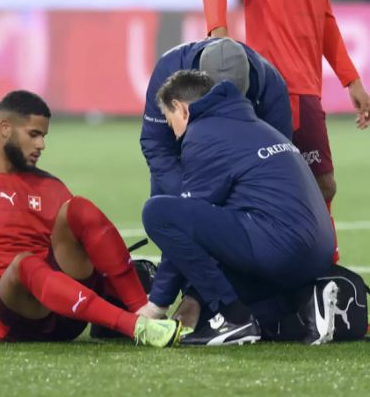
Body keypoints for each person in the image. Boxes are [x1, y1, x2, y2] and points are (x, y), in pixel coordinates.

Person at [0, 90, 181, 348]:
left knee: (79, 208)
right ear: (4, 129)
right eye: (34, 134)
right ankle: (134, 328)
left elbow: (83, 248)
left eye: (44, 136)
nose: (41, 145)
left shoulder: (51, 187)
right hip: (9, 319)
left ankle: (144, 313)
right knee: (24, 264)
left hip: (66, 314)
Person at [202, 0, 370, 261]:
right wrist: (220, 43)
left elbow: (324, 17)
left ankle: (315, 282)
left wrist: (351, 80)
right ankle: (311, 278)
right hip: (273, 88)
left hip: (307, 88)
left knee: (315, 187)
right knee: (312, 186)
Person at [142, 70, 339, 347]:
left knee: (158, 213)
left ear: (180, 108)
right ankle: (305, 302)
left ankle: (233, 319)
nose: (173, 134)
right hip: (318, 254)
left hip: (279, 245)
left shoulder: (201, 133)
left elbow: (185, 221)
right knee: (226, 276)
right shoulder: (256, 125)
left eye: (169, 120)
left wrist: (157, 304)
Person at [140, 37, 290, 319]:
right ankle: (193, 295)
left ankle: (206, 301)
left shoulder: (271, 89)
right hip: (184, 158)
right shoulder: (168, 72)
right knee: (174, 213)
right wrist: (188, 202)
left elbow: (276, 172)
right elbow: (156, 145)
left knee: (207, 212)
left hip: (242, 171)